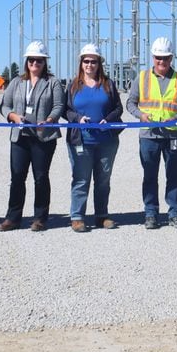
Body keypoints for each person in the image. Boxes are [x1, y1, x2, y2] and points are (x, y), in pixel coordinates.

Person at [126, 37, 177, 229]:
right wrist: (141, 115)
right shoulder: (143, 77)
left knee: (173, 175)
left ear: (171, 58)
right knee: (150, 174)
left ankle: (174, 213)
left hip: (173, 135)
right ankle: (151, 213)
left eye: (165, 58)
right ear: (153, 57)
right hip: (149, 134)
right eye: (158, 58)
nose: (161, 62)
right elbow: (130, 102)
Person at [0, 41, 65, 232]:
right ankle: (13, 217)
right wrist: (12, 116)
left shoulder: (52, 83)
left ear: (45, 62)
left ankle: (40, 218)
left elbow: (59, 105)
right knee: (17, 177)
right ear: (27, 62)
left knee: (41, 177)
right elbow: (5, 105)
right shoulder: (17, 82)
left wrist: (51, 119)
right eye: (32, 60)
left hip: (43, 138)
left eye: (39, 60)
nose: (35, 64)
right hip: (20, 137)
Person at [64, 44, 123, 232]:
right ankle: (77, 216)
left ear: (99, 64)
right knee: (81, 178)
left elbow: (118, 108)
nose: (89, 65)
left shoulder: (108, 84)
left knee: (103, 179)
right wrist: (77, 118)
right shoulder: (73, 85)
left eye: (93, 61)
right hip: (81, 140)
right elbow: (66, 110)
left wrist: (109, 119)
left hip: (106, 141)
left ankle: (101, 215)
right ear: (81, 63)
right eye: (86, 61)